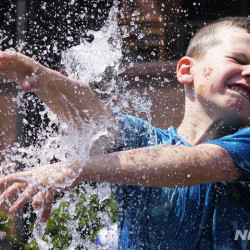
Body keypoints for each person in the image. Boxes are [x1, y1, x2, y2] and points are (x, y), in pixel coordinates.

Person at [0, 16, 249, 249]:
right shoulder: (148, 141)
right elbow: (96, 124)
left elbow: (197, 163)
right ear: (186, 71)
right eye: (239, 60)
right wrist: (47, 81)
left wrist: (75, 168)